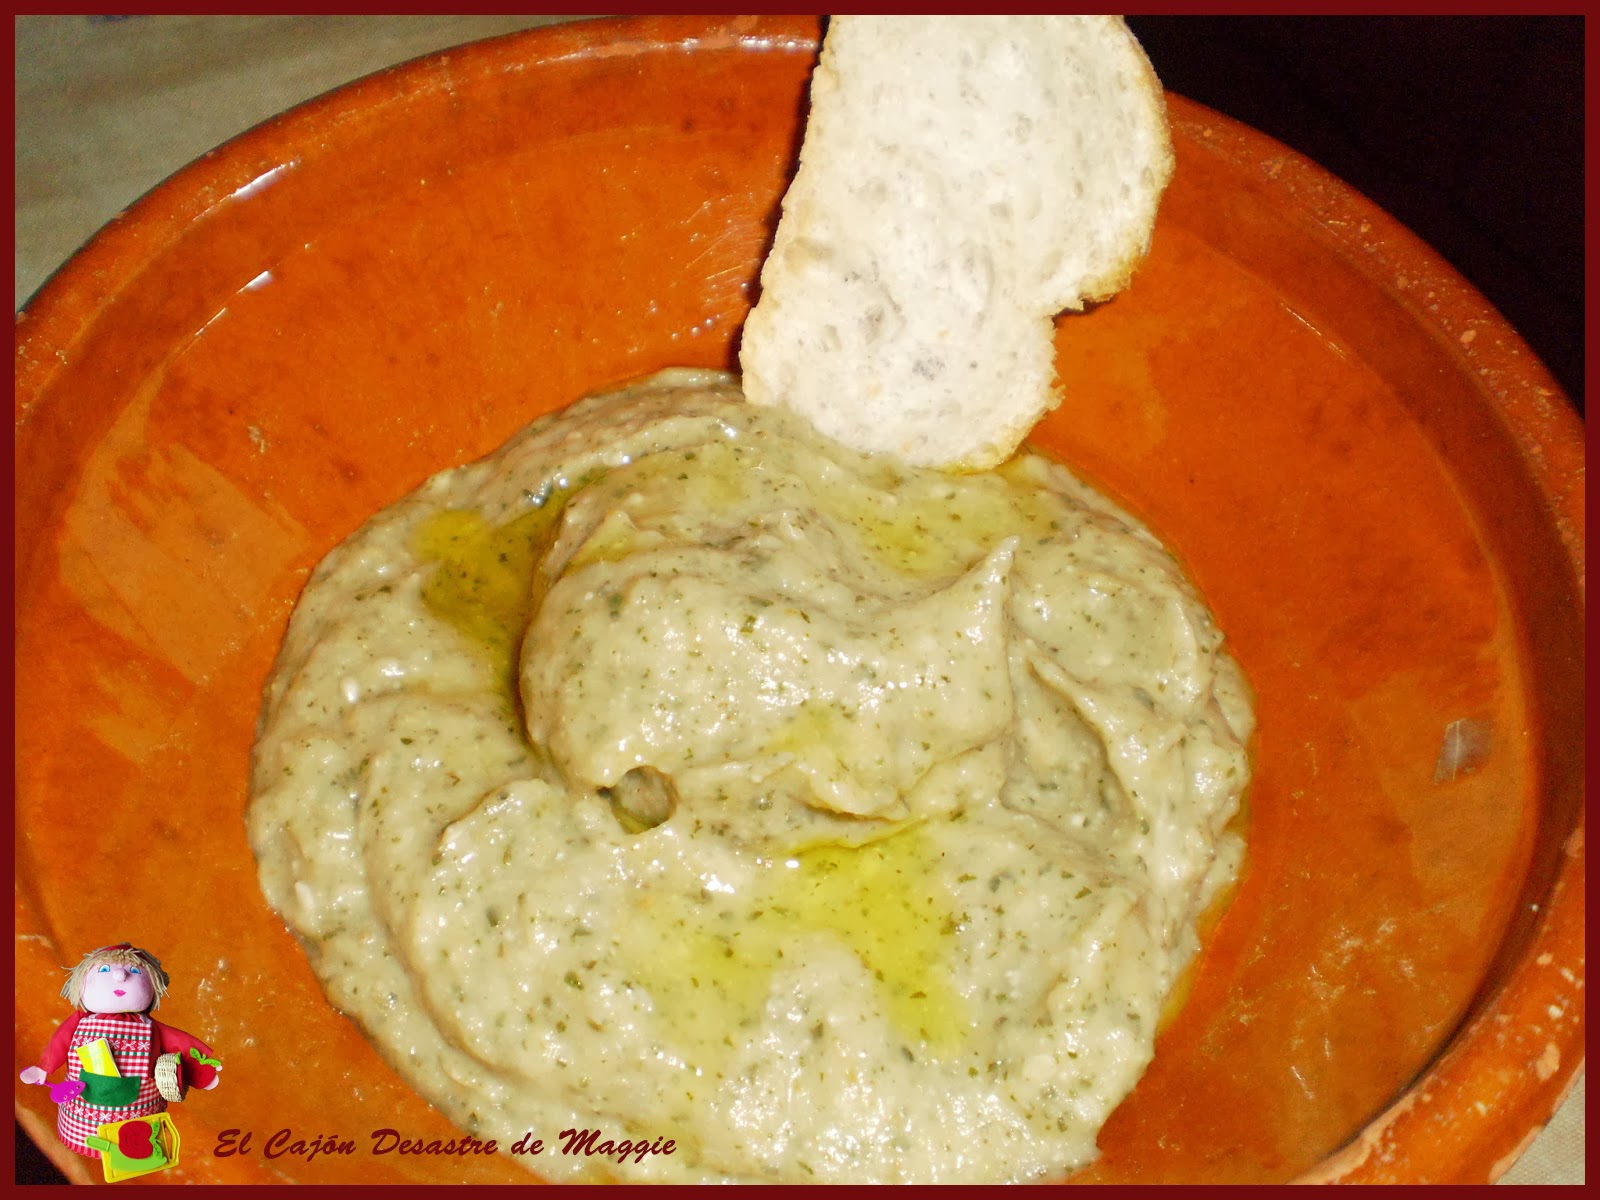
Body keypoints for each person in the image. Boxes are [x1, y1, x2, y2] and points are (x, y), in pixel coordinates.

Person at [19, 943, 219, 1158]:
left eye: (134, 971)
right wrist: (44, 1068)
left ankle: (136, 1151)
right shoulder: (79, 1021)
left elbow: (182, 1045)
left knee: (136, 1146)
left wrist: (202, 1071)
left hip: (139, 1115)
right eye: (103, 970)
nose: (119, 976)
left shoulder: (150, 1027)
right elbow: (58, 1044)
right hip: (81, 1119)